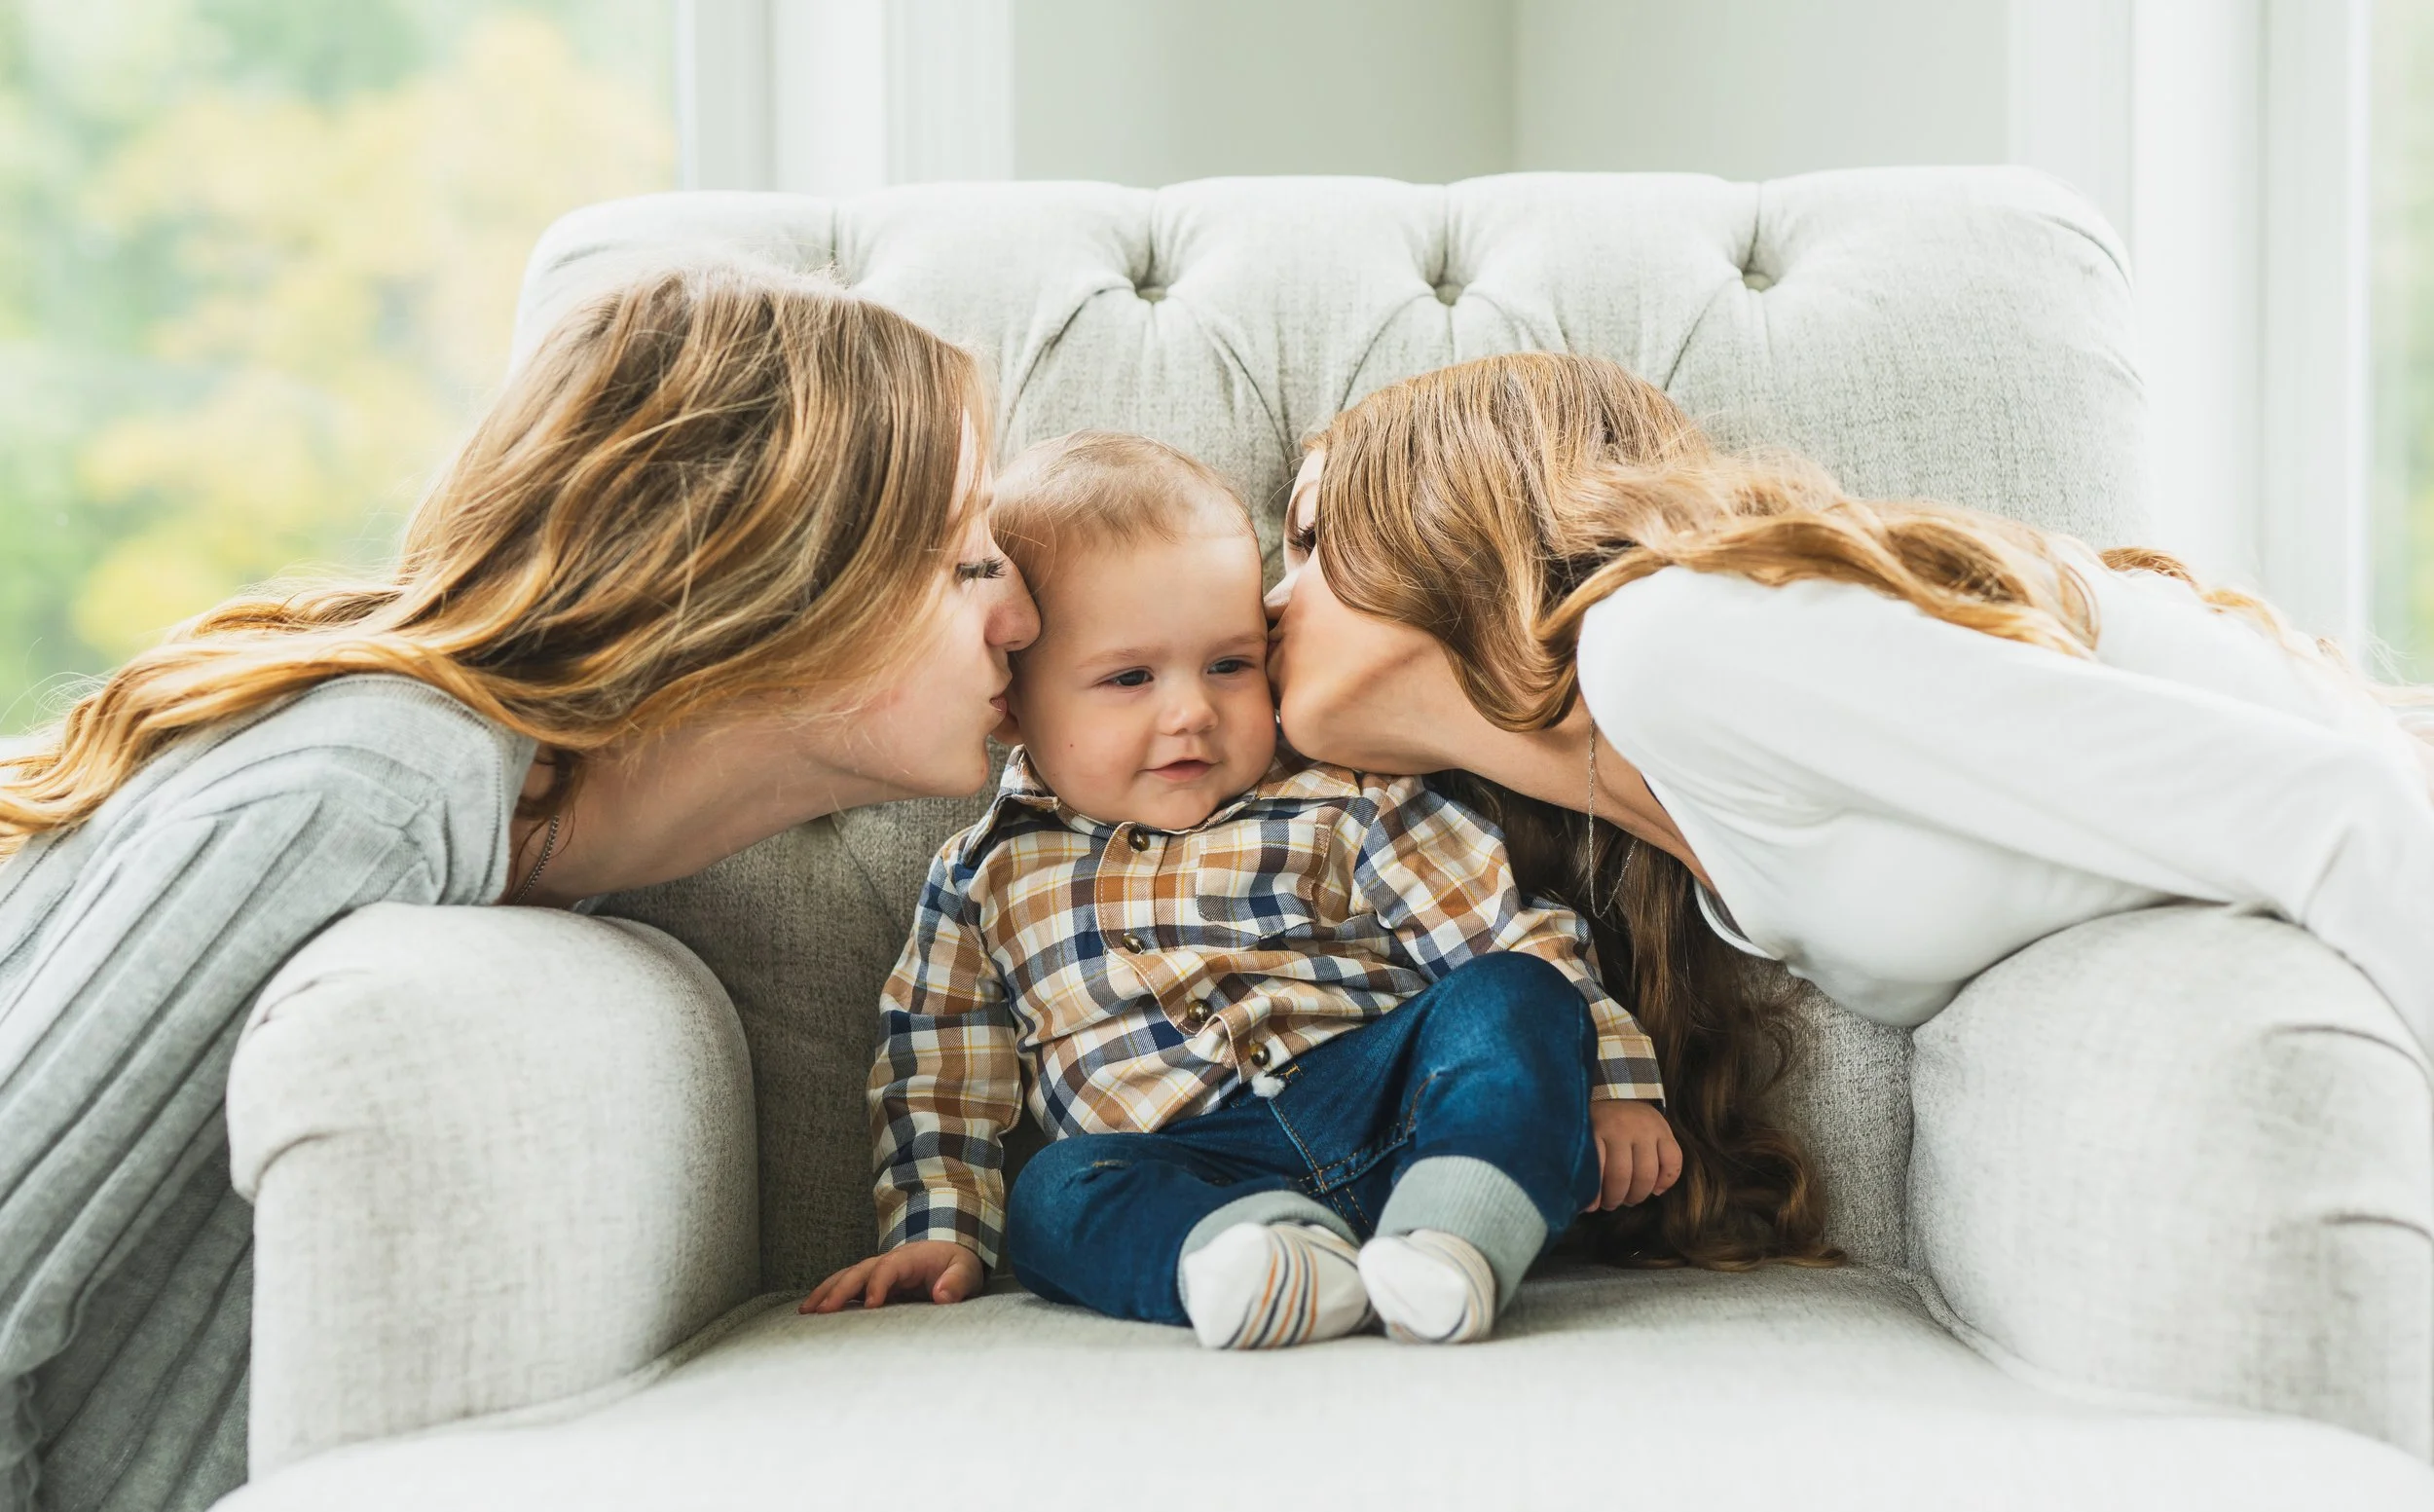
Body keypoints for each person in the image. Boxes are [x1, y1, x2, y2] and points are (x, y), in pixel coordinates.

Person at [0, 262, 1039, 1512]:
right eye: (968, 559)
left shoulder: (541, 847)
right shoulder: (367, 787)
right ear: (778, 571)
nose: (1025, 615)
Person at [1262, 351, 2434, 1175]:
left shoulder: (1675, 642)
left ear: (1444, 515)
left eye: (1310, 538)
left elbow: (2346, 812)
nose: (1267, 598)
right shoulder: (1695, 851)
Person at [801, 431, 1678, 1348]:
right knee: (1054, 1195)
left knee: (1513, 993)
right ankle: (1258, 1265)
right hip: (1189, 1160)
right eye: (1130, 677)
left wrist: (1608, 1083)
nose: (1191, 710)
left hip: (1389, 1109)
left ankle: (1454, 1238)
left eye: (1229, 664)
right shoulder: (981, 879)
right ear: (1015, 706)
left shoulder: (1342, 799)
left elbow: (1501, 923)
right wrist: (937, 1231)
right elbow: (937, 1073)